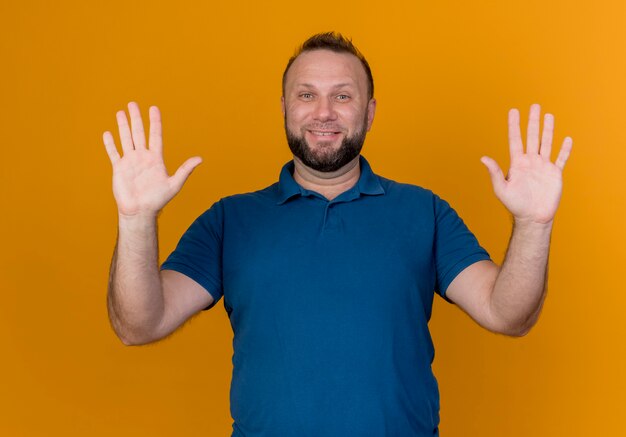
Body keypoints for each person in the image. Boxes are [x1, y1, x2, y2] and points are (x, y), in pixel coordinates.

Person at [102, 32, 572, 436]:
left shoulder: (423, 212)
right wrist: (136, 221)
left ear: (369, 112)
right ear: (285, 107)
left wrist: (534, 225)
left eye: (342, 96)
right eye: (306, 95)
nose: (323, 112)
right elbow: (138, 324)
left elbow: (507, 314)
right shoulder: (230, 220)